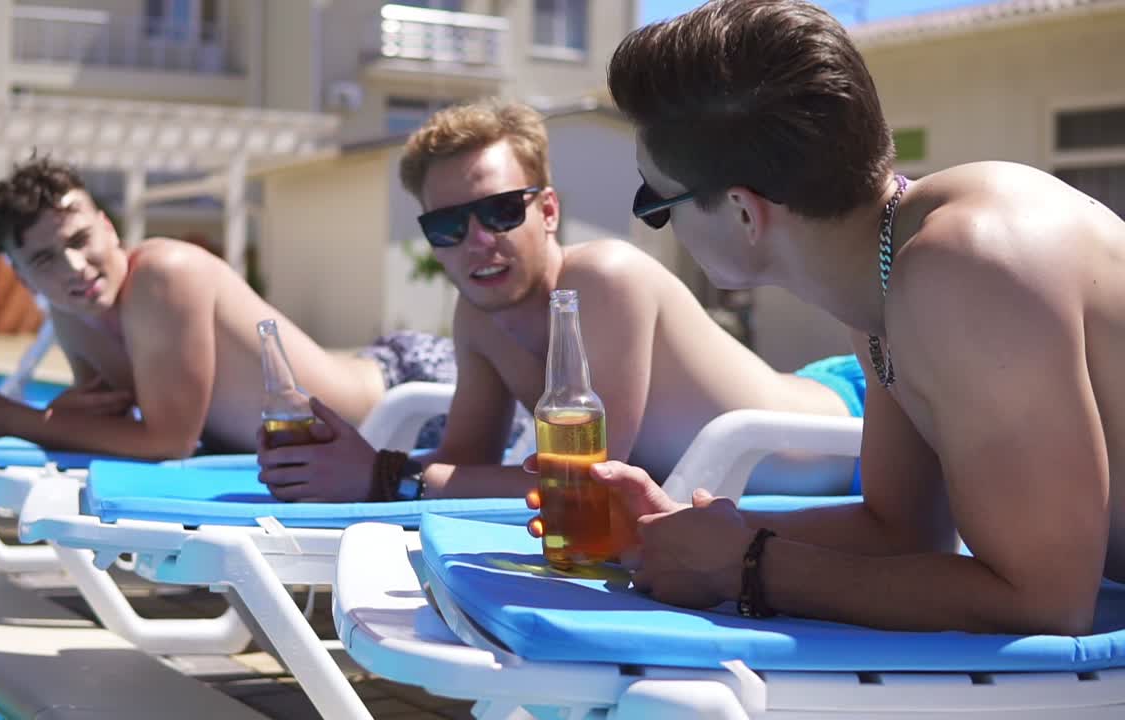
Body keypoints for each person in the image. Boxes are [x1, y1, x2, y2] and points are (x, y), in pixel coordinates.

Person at [601, 0, 1125, 635]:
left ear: (743, 212)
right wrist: (683, 533)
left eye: (655, 201)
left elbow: (1047, 603)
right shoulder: (886, 266)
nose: (655, 221)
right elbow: (901, 532)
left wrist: (743, 567)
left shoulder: (965, 267)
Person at [258, 99, 867, 506]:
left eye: (500, 211)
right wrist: (341, 457)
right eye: (448, 226)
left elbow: (585, 480)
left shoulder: (604, 278)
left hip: (856, 423)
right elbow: (464, 463)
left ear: (547, 210)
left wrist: (384, 476)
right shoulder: (479, 317)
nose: (478, 241)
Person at [0, 158, 470, 459]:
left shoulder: (164, 274)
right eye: (45, 259)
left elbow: (169, 441)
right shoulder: (74, 318)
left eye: (79, 239)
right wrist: (60, 414)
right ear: (23, 278)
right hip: (373, 417)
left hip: (410, 408)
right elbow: (109, 423)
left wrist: (9, 419)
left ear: (108, 228)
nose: (73, 267)